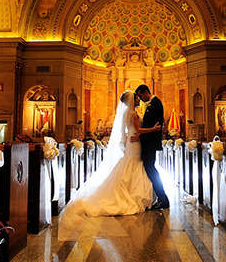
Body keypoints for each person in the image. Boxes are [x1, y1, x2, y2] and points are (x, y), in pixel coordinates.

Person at [58, 90, 161, 240]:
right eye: (136, 98)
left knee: (131, 167)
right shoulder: (132, 114)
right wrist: (152, 129)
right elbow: (137, 129)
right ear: (131, 100)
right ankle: (134, 195)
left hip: (133, 143)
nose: (138, 99)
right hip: (135, 144)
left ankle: (133, 192)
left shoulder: (127, 113)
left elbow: (126, 131)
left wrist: (131, 137)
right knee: (134, 166)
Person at [133, 84, 170, 210]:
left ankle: (163, 199)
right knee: (150, 169)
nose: (140, 99)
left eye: (140, 95)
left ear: (145, 92)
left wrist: (140, 135)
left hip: (150, 143)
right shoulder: (151, 103)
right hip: (148, 142)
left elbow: (156, 126)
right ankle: (159, 197)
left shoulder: (155, 103)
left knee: (151, 170)